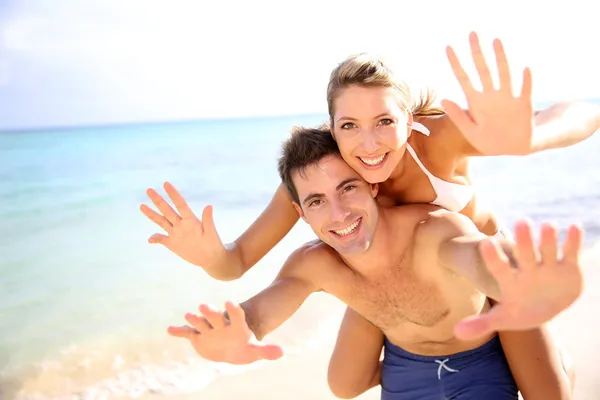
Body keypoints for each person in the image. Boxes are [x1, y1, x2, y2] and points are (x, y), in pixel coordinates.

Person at [140, 32, 599, 398]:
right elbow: (235, 263)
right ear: (332, 125)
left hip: (483, 276)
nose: (369, 144)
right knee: (343, 385)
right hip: (384, 273)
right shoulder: (326, 172)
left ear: (408, 117)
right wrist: (208, 255)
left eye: (384, 122)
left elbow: (580, 114)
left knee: (550, 393)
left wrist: (529, 139)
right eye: (349, 126)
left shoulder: (436, 139)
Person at [166, 125, 584, 399]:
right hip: (406, 361)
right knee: (342, 386)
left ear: (372, 186)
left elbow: (477, 257)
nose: (339, 213)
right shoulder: (313, 262)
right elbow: (258, 312)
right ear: (301, 214)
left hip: (481, 354)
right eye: (316, 202)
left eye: (347, 188)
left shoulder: (433, 230)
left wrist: (521, 274)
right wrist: (237, 333)